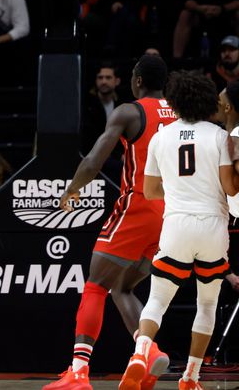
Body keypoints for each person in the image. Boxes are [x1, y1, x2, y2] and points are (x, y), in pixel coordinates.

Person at [44, 55, 175, 390]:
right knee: (124, 287)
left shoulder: (129, 111)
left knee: (95, 284)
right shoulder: (180, 113)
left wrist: (72, 189)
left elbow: (92, 160)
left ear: (137, 80)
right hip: (172, 215)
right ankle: (149, 350)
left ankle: (78, 372)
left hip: (138, 205)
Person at [119, 71, 235, 390]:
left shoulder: (161, 137)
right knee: (207, 305)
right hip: (212, 226)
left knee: (157, 299)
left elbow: (152, 190)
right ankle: (190, 378)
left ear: (175, 101)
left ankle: (141, 353)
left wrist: (179, 189)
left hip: (175, 225)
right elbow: (229, 187)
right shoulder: (218, 136)